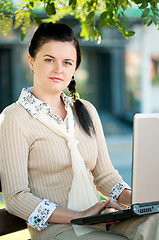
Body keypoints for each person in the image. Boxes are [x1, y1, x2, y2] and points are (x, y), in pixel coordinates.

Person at [0, 22, 158, 240]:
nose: (59, 69)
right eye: (49, 60)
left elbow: (105, 177)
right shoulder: (14, 117)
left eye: (67, 62)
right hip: (58, 228)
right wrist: (78, 215)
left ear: (74, 68)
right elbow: (16, 197)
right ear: (31, 61)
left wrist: (141, 200)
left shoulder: (86, 110)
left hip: (101, 218)